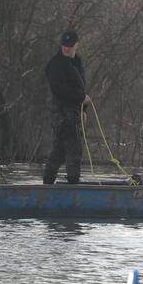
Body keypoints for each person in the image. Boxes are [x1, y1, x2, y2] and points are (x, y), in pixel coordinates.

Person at [43, 29, 91, 184]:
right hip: (62, 115)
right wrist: (80, 97)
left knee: (58, 152)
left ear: (76, 45)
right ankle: (72, 185)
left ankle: (48, 182)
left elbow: (80, 87)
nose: (66, 48)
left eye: (69, 46)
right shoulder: (56, 64)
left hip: (74, 114)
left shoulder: (77, 62)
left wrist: (83, 109)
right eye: (64, 45)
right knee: (73, 151)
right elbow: (59, 90)